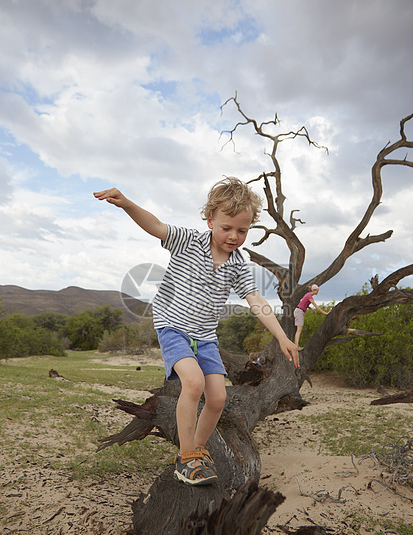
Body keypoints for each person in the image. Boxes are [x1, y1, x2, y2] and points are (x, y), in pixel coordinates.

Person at [94, 177, 299, 486]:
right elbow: (157, 226)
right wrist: (127, 204)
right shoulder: (188, 241)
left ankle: (195, 451)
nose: (233, 236)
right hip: (173, 327)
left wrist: (282, 336)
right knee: (193, 382)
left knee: (217, 398)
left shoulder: (238, 264)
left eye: (242, 231)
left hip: (205, 337)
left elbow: (255, 300)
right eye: (226, 227)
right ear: (210, 220)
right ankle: (187, 457)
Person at [293, 284, 331, 349]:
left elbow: (303, 303)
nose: (317, 292)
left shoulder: (308, 295)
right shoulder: (309, 296)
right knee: (299, 329)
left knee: (299, 329)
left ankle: (296, 345)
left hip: (299, 311)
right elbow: (316, 306)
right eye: (317, 291)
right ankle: (296, 346)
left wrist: (311, 309)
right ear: (314, 290)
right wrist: (325, 313)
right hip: (299, 312)